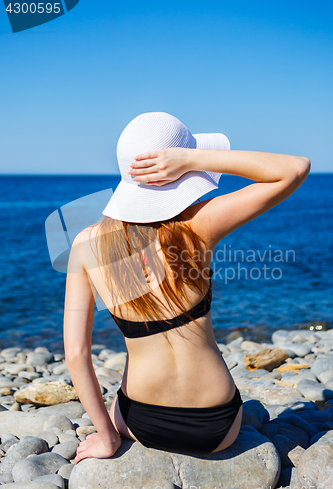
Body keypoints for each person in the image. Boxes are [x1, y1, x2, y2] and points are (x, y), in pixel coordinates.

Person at [63, 112, 310, 464]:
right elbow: (295, 168)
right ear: (177, 171)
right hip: (217, 426)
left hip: (139, 421)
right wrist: (193, 158)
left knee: (120, 396)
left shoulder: (87, 245)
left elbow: (75, 354)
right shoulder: (199, 224)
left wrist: (106, 437)